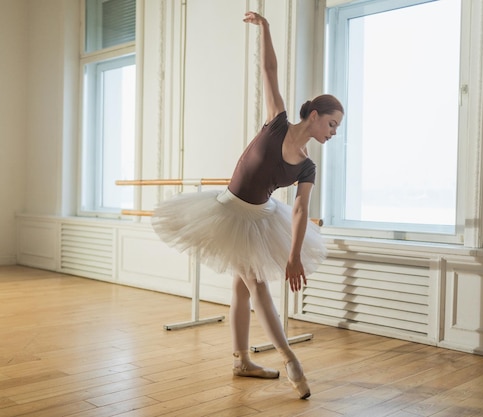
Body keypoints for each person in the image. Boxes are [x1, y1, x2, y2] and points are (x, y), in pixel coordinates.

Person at [151, 11, 344, 400]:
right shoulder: (277, 122)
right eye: (332, 124)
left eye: (337, 129)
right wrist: (267, 29)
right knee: (255, 284)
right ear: (315, 115)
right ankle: (291, 360)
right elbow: (269, 70)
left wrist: (293, 257)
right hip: (227, 212)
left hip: (260, 219)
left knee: (242, 287)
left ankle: (241, 361)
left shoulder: (308, 165)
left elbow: (301, 211)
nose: (333, 133)